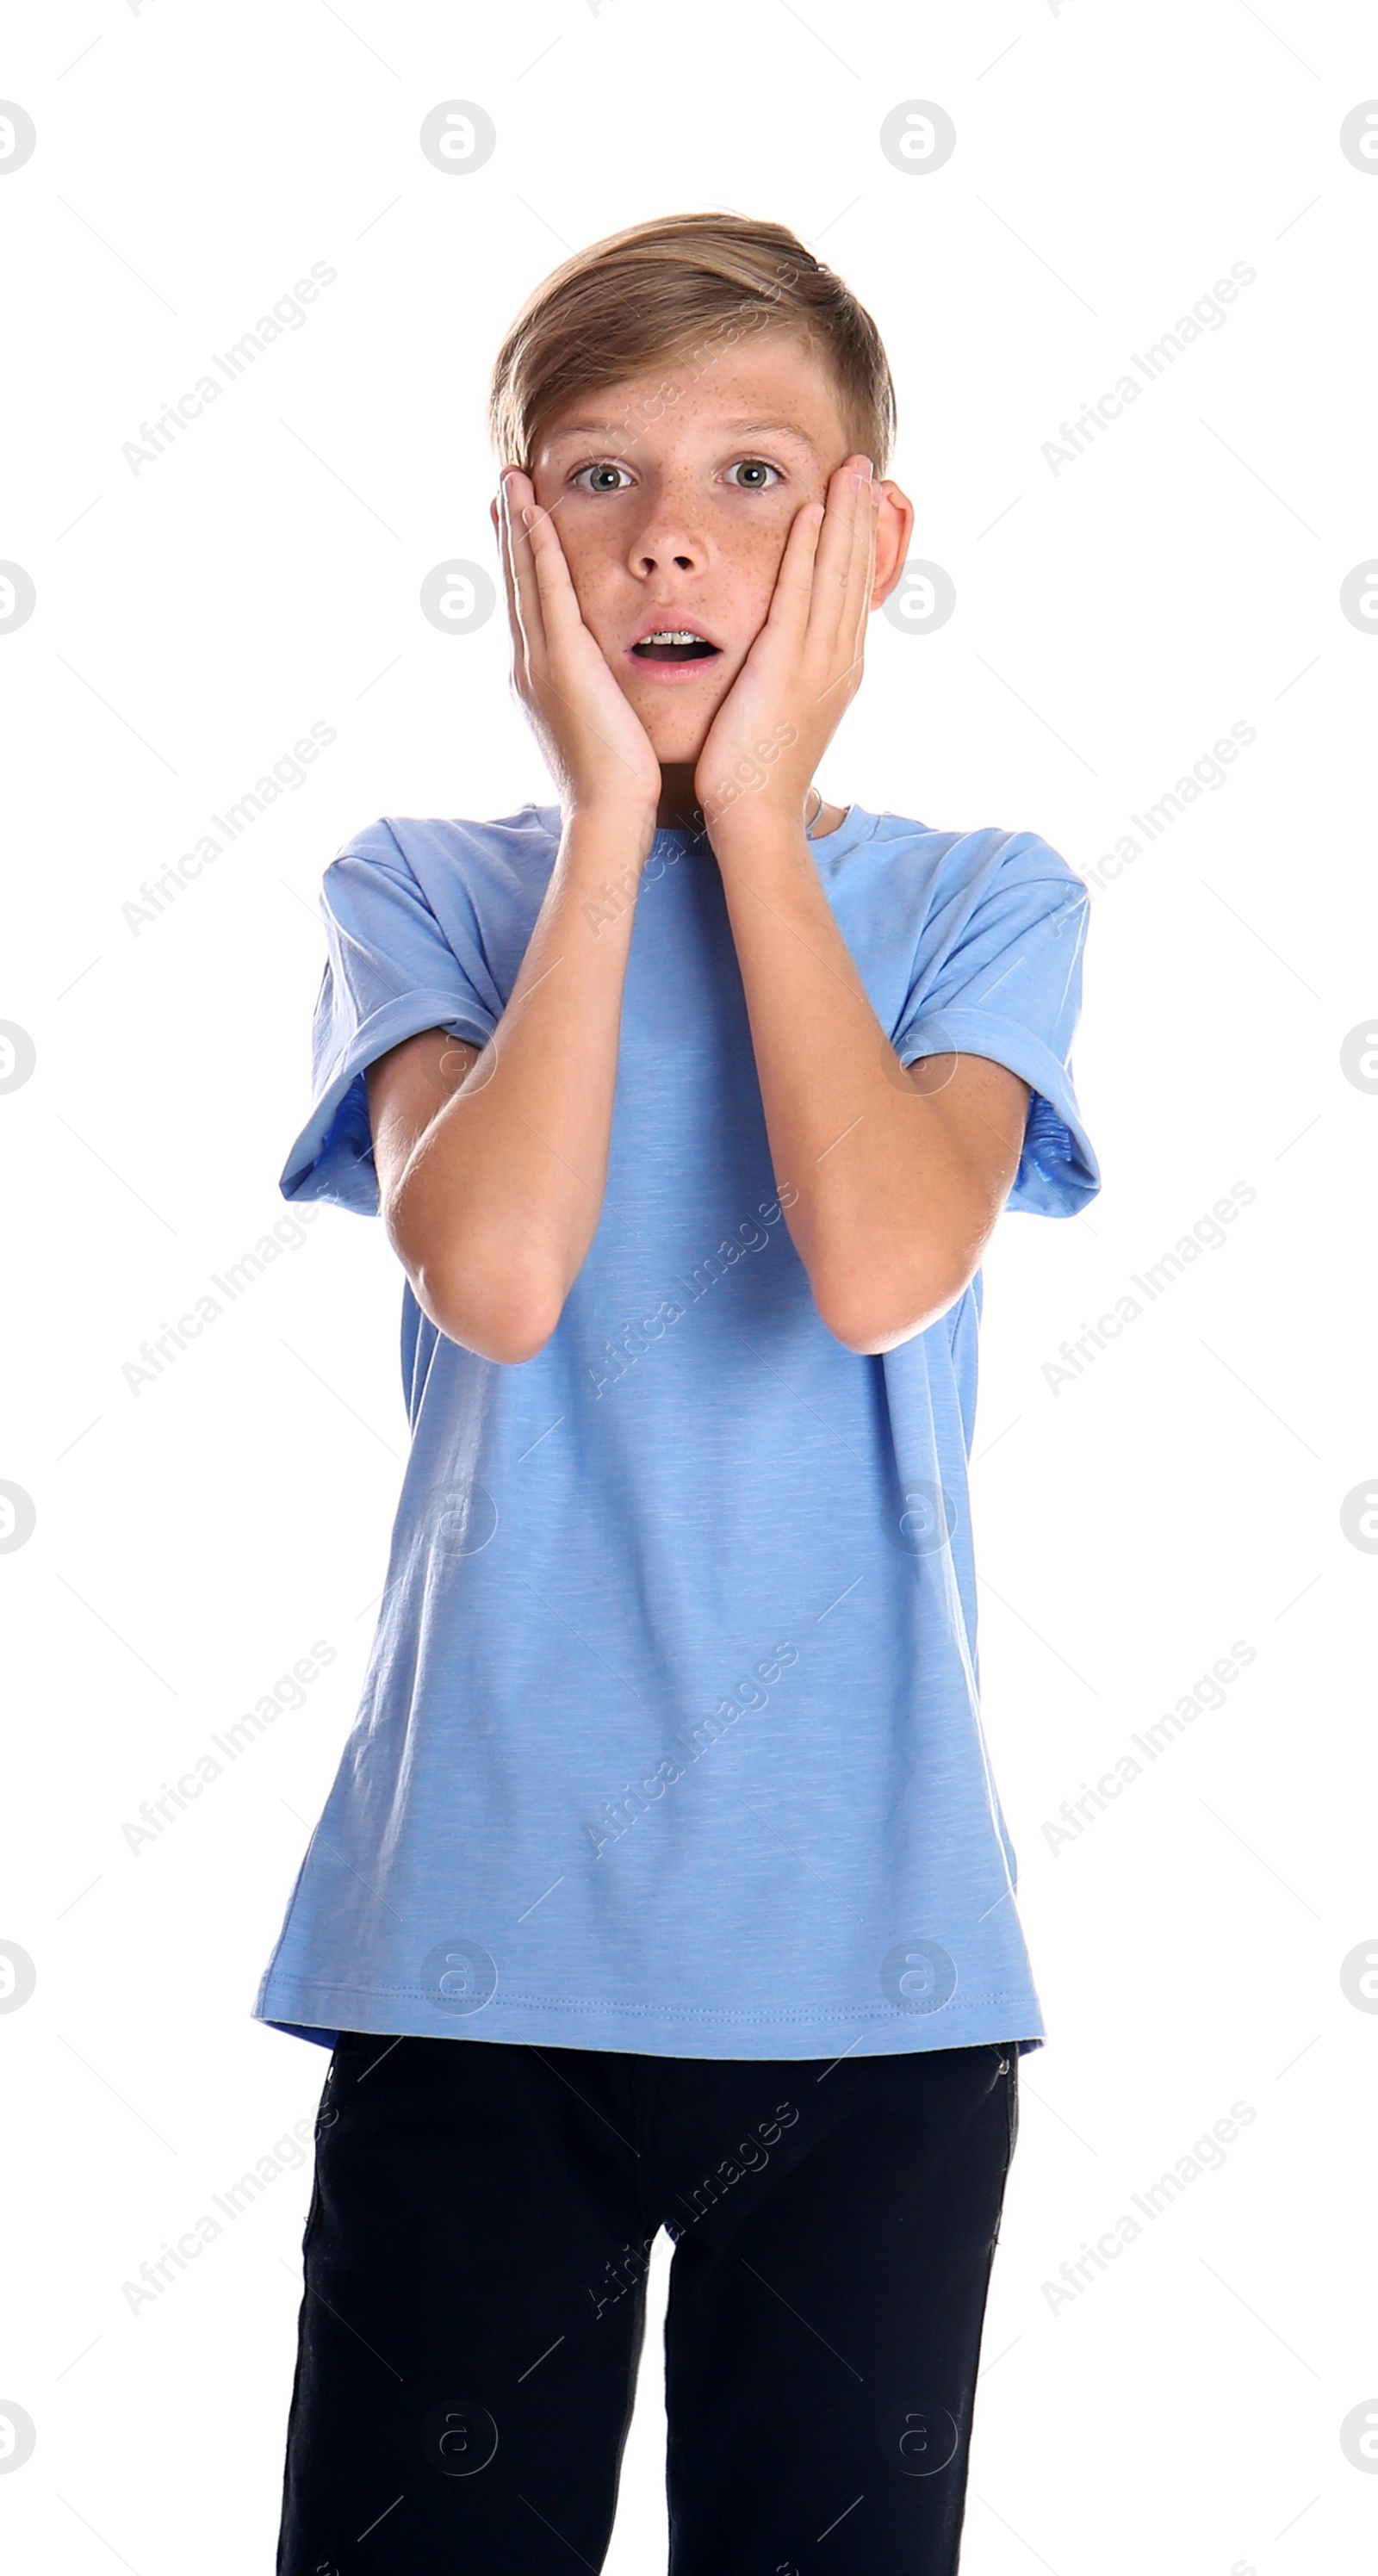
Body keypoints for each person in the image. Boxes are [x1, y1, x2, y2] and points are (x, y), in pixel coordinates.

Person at [259, 210, 1101, 2576]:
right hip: (476, 1957)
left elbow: (879, 1263)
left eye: (754, 478)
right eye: (599, 475)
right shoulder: (425, 886)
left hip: (867, 1971)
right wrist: (616, 817)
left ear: (869, 542)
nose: (669, 537)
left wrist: (752, 815)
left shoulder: (973, 901)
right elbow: (500, 1273)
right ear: (519, 536)